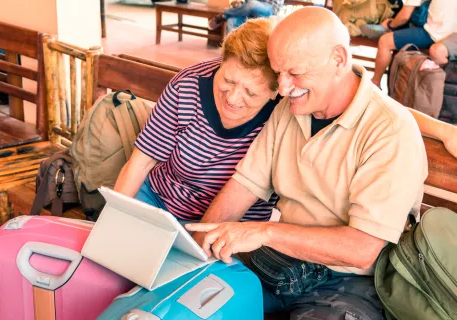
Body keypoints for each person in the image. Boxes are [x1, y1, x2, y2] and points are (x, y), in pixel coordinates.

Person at [185, 7, 455, 319]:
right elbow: (243, 186)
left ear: (339, 60)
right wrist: (200, 249)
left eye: (295, 73)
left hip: (351, 282)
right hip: (282, 264)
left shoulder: (389, 130)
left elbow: (361, 249)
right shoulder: (291, 109)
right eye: (279, 73)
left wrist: (265, 233)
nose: (283, 88)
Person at [114, 18, 281, 222]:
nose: (232, 98)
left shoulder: (284, 112)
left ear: (277, 90)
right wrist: (114, 219)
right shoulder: (188, 84)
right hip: (160, 201)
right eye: (228, 80)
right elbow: (141, 162)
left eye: (250, 93)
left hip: (232, 227)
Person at [372, 0, 457, 87]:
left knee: (385, 41)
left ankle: (375, 83)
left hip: (433, 34)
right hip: (452, 38)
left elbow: (404, 16)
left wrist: (390, 24)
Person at [360, 0, 427, 39]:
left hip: (421, 28)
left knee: (386, 42)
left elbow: (405, 16)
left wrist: (389, 25)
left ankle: (384, 28)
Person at [208, 0, 284, 34]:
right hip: (250, 14)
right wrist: (241, 3)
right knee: (232, 21)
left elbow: (253, 4)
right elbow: (248, 3)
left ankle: (224, 14)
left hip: (269, 10)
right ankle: (230, 53)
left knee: (252, 4)